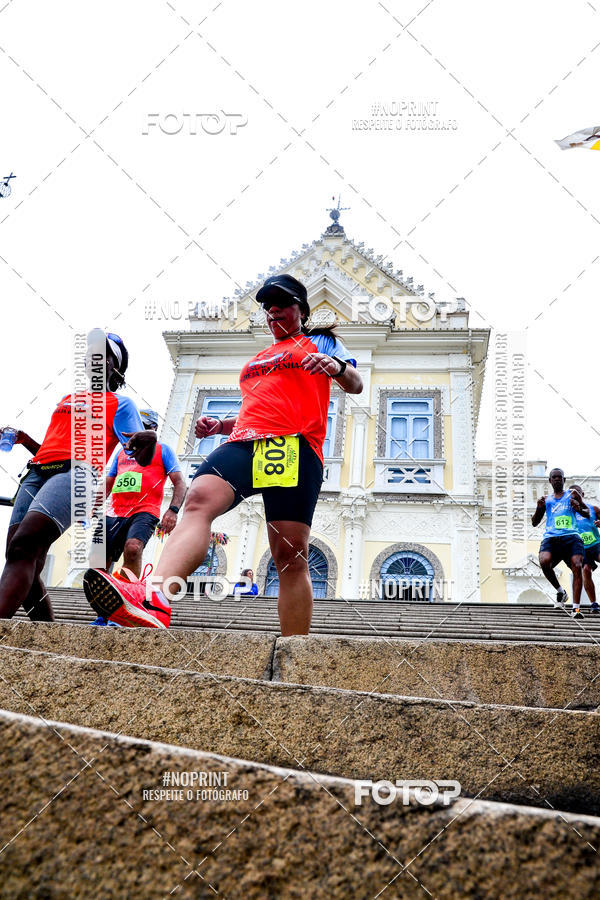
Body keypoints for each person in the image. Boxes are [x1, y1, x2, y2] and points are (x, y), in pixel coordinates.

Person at [83, 273, 363, 634]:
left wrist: (336, 367)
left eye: (282, 303)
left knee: (290, 556)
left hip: (293, 445)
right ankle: (156, 599)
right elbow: (258, 411)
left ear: (302, 310)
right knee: (198, 499)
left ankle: (295, 648)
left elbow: (355, 383)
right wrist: (220, 426)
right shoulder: (260, 357)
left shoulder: (319, 341)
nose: (273, 310)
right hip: (244, 441)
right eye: (267, 306)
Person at [0, 332, 157, 622]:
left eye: (102, 355)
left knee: (24, 546)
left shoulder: (121, 404)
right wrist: (25, 439)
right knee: (21, 555)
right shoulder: (67, 398)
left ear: (114, 366)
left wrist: (149, 441)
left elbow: (141, 456)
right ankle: (47, 635)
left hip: (77, 474)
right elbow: (52, 448)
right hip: (37, 472)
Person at [87, 408, 186, 625]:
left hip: (145, 510)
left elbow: (180, 482)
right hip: (114, 512)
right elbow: (109, 483)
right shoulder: (121, 453)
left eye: (143, 427)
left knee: (132, 549)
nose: (135, 431)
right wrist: (92, 507)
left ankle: (128, 606)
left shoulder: (163, 450)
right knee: (98, 562)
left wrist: (173, 510)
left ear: (152, 429)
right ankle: (104, 614)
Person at [532, 468, 587, 617]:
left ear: (564, 480)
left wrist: (578, 507)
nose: (557, 479)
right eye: (554, 477)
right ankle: (561, 592)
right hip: (552, 537)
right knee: (544, 561)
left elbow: (587, 513)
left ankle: (576, 609)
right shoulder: (546, 499)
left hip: (571, 536)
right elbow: (534, 523)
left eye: (559, 477)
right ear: (550, 480)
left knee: (577, 565)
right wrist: (538, 508)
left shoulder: (572, 495)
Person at [569, 484, 600, 614]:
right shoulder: (569, 513)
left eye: (577, 493)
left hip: (596, 544)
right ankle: (594, 604)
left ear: (582, 495)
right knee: (586, 570)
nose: (575, 496)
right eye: (572, 495)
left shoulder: (593, 509)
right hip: (581, 548)